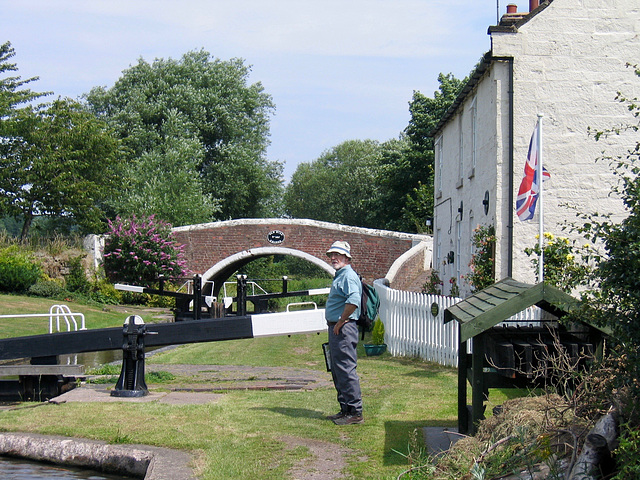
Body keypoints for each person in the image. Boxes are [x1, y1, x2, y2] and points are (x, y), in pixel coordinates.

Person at [324, 240, 363, 425]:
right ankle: (345, 409)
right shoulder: (341, 275)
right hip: (337, 327)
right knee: (338, 369)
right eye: (331, 255)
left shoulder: (347, 275)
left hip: (343, 329)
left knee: (346, 369)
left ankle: (355, 412)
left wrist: (340, 321)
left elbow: (354, 299)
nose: (333, 258)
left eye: (337, 255)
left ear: (346, 258)